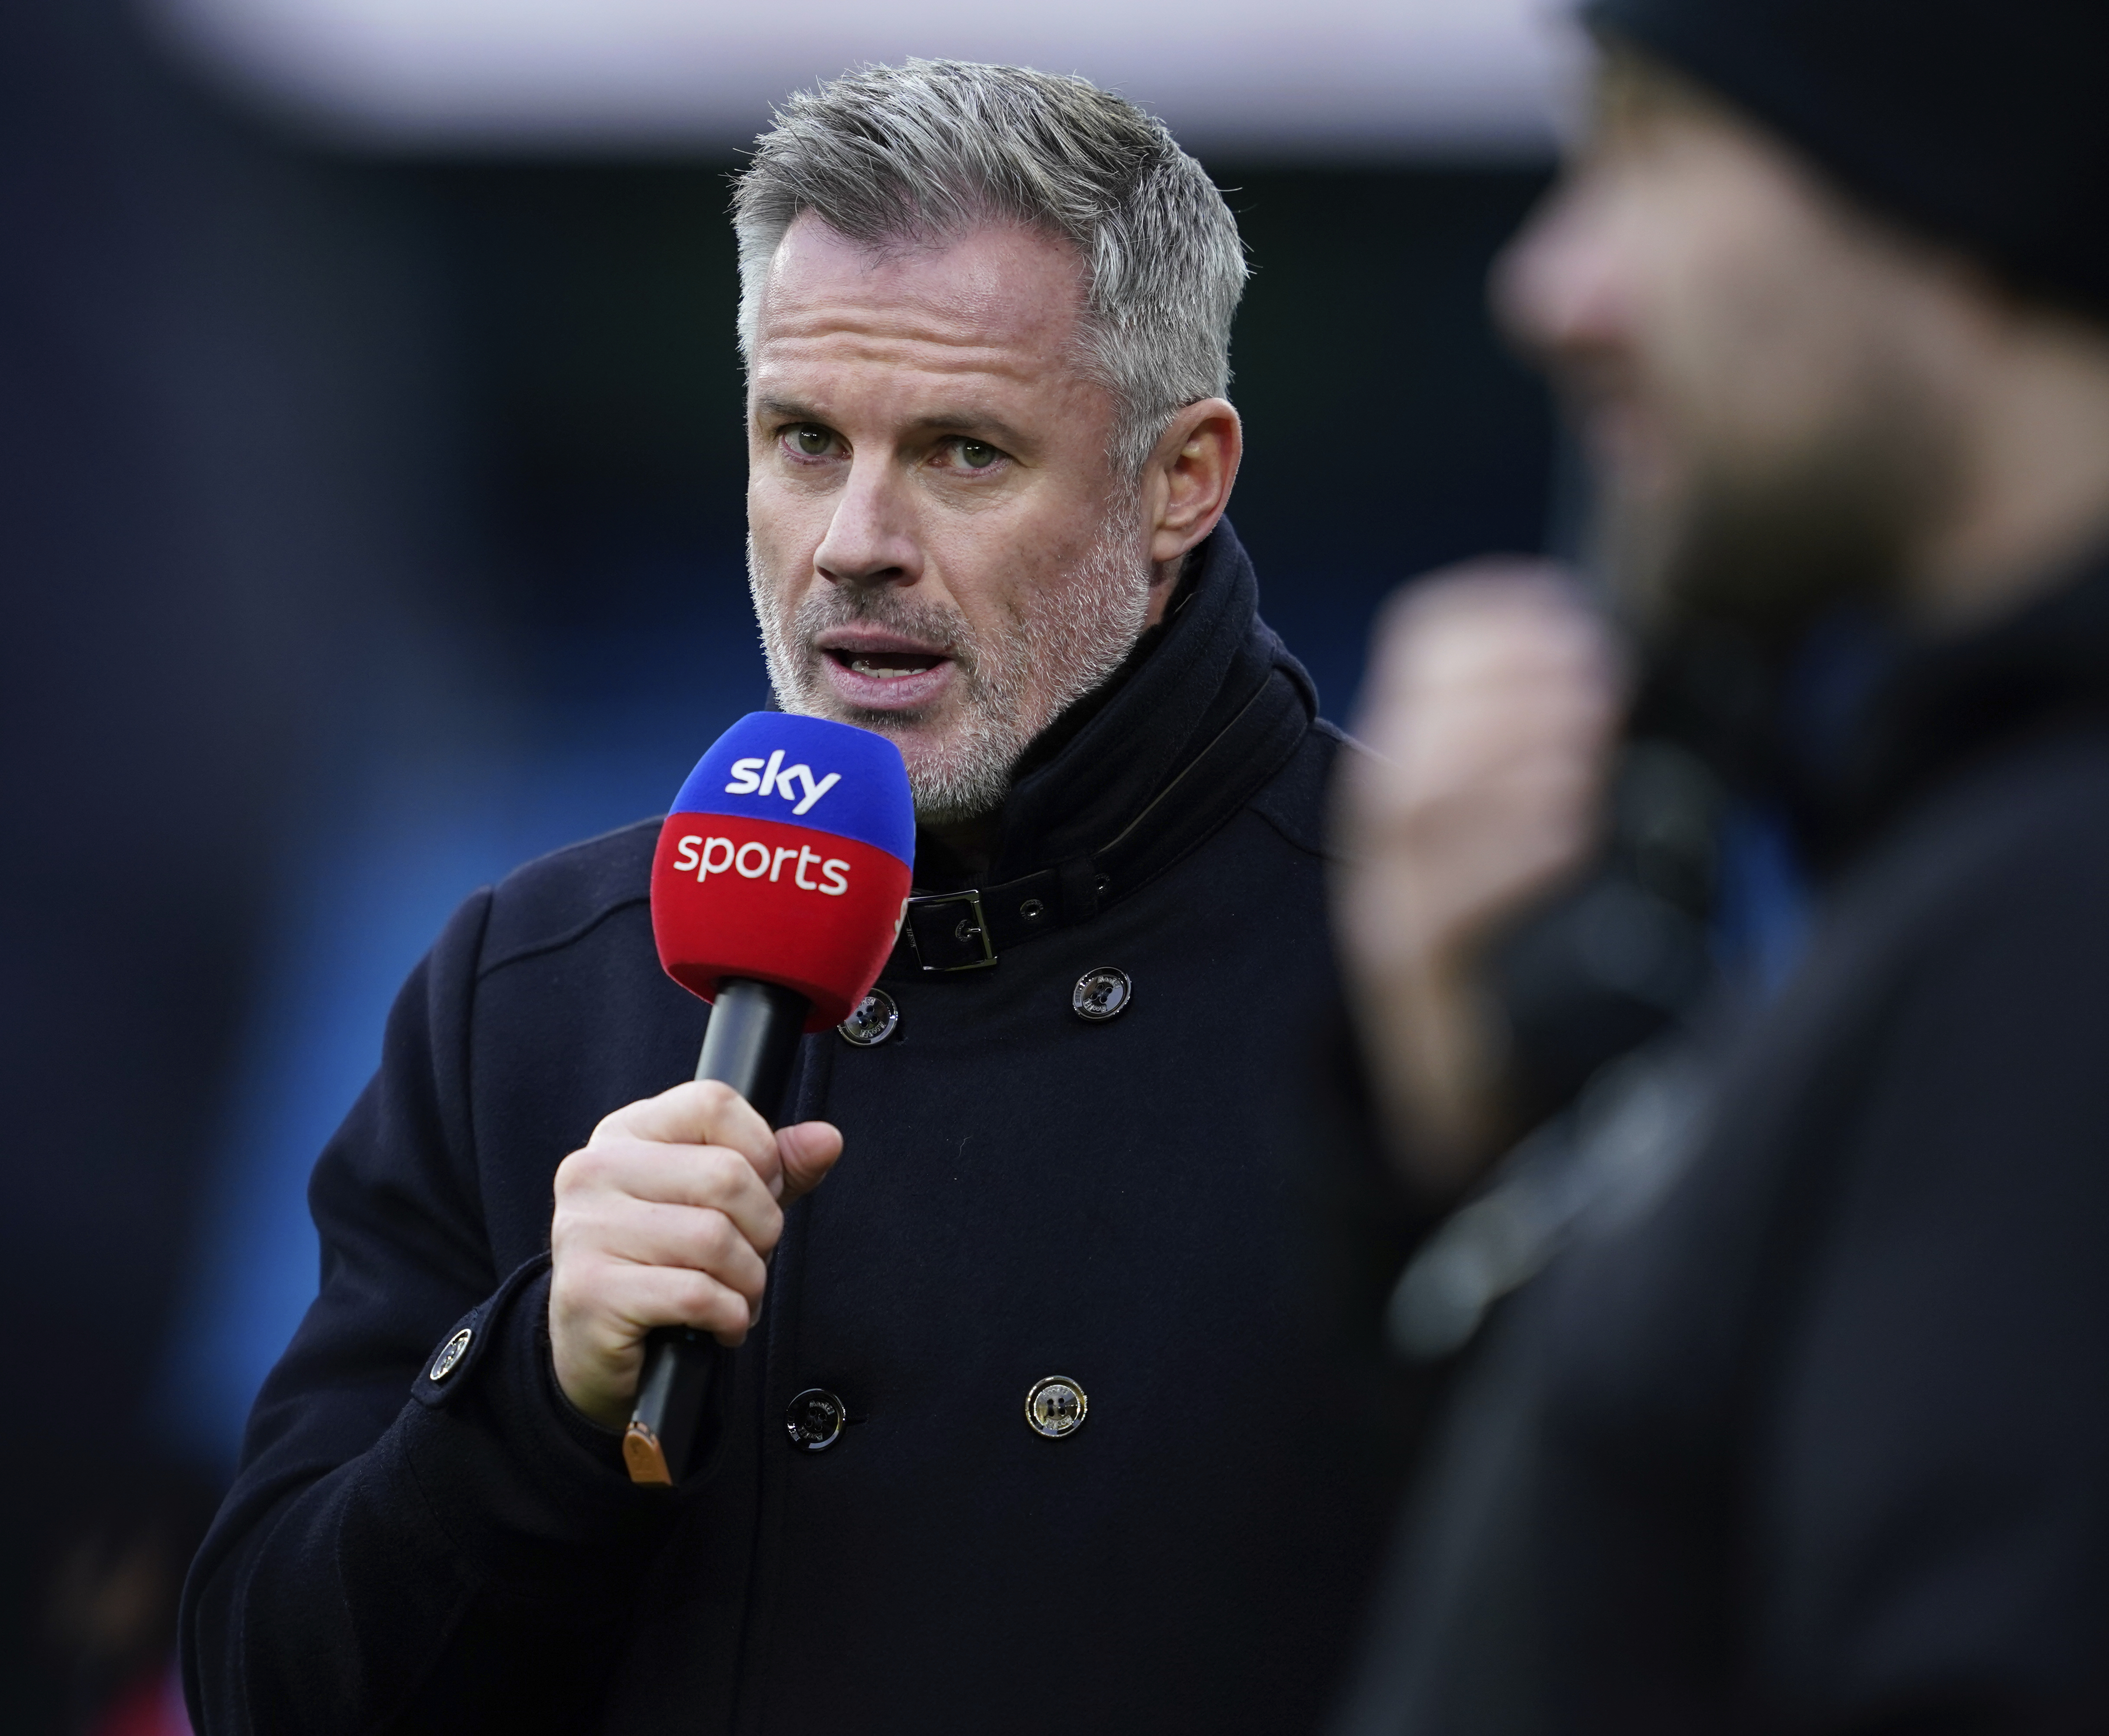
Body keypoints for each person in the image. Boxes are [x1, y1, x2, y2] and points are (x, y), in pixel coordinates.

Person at [184, 59, 1388, 1734]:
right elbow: (269, 1694)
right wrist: (537, 1394)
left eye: (964, 453)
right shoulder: (531, 986)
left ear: (1179, 479)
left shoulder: (1418, 969)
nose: (854, 542)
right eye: (805, 441)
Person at [1326, 0, 2109, 1728]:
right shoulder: (1960, 880)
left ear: (1954, 168)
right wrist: (1519, 1157)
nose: (1552, 290)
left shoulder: (2042, 944)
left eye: (1652, 144)